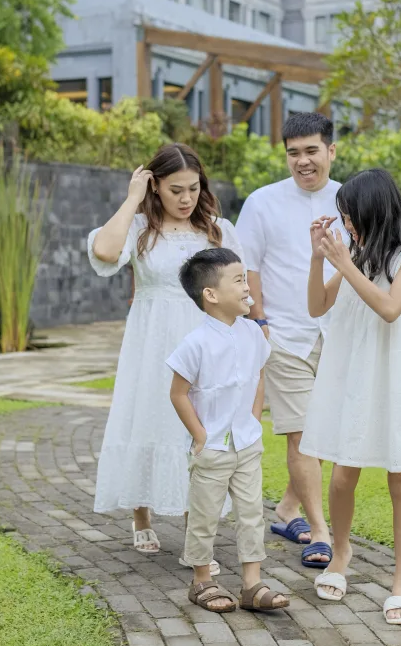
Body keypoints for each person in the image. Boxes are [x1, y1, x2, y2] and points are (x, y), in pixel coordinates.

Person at [301, 168, 401, 621]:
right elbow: (316, 307)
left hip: (396, 376)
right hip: (353, 376)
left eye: (350, 216)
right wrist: (317, 260)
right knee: (344, 473)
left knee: (400, 479)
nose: (345, 224)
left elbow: (389, 309)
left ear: (372, 210)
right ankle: (341, 554)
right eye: (343, 218)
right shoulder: (356, 253)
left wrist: (345, 262)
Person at [87, 143, 244, 570]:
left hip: (204, 338)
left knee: (200, 427)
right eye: (175, 189)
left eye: (193, 188)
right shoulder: (138, 227)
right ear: (156, 186)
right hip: (152, 341)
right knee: (150, 416)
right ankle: (141, 515)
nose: (186, 198)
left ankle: (199, 532)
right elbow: (103, 252)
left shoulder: (217, 230)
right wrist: (133, 197)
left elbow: (236, 288)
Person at [235, 112, 347, 568]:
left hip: (340, 334)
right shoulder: (262, 202)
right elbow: (248, 268)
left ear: (331, 151)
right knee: (300, 434)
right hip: (285, 334)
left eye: (311, 151)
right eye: (293, 153)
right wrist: (260, 322)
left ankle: (286, 511)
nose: (302, 161)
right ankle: (321, 532)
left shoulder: (347, 199)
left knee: (328, 435)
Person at [167, 248, 290, 614]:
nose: (247, 285)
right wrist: (201, 437)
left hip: (247, 443)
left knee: (252, 513)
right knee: (205, 516)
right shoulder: (195, 344)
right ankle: (202, 580)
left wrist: (253, 418)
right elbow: (178, 394)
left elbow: (259, 377)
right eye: (238, 280)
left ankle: (252, 584)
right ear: (211, 294)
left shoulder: (254, 333)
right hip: (214, 448)